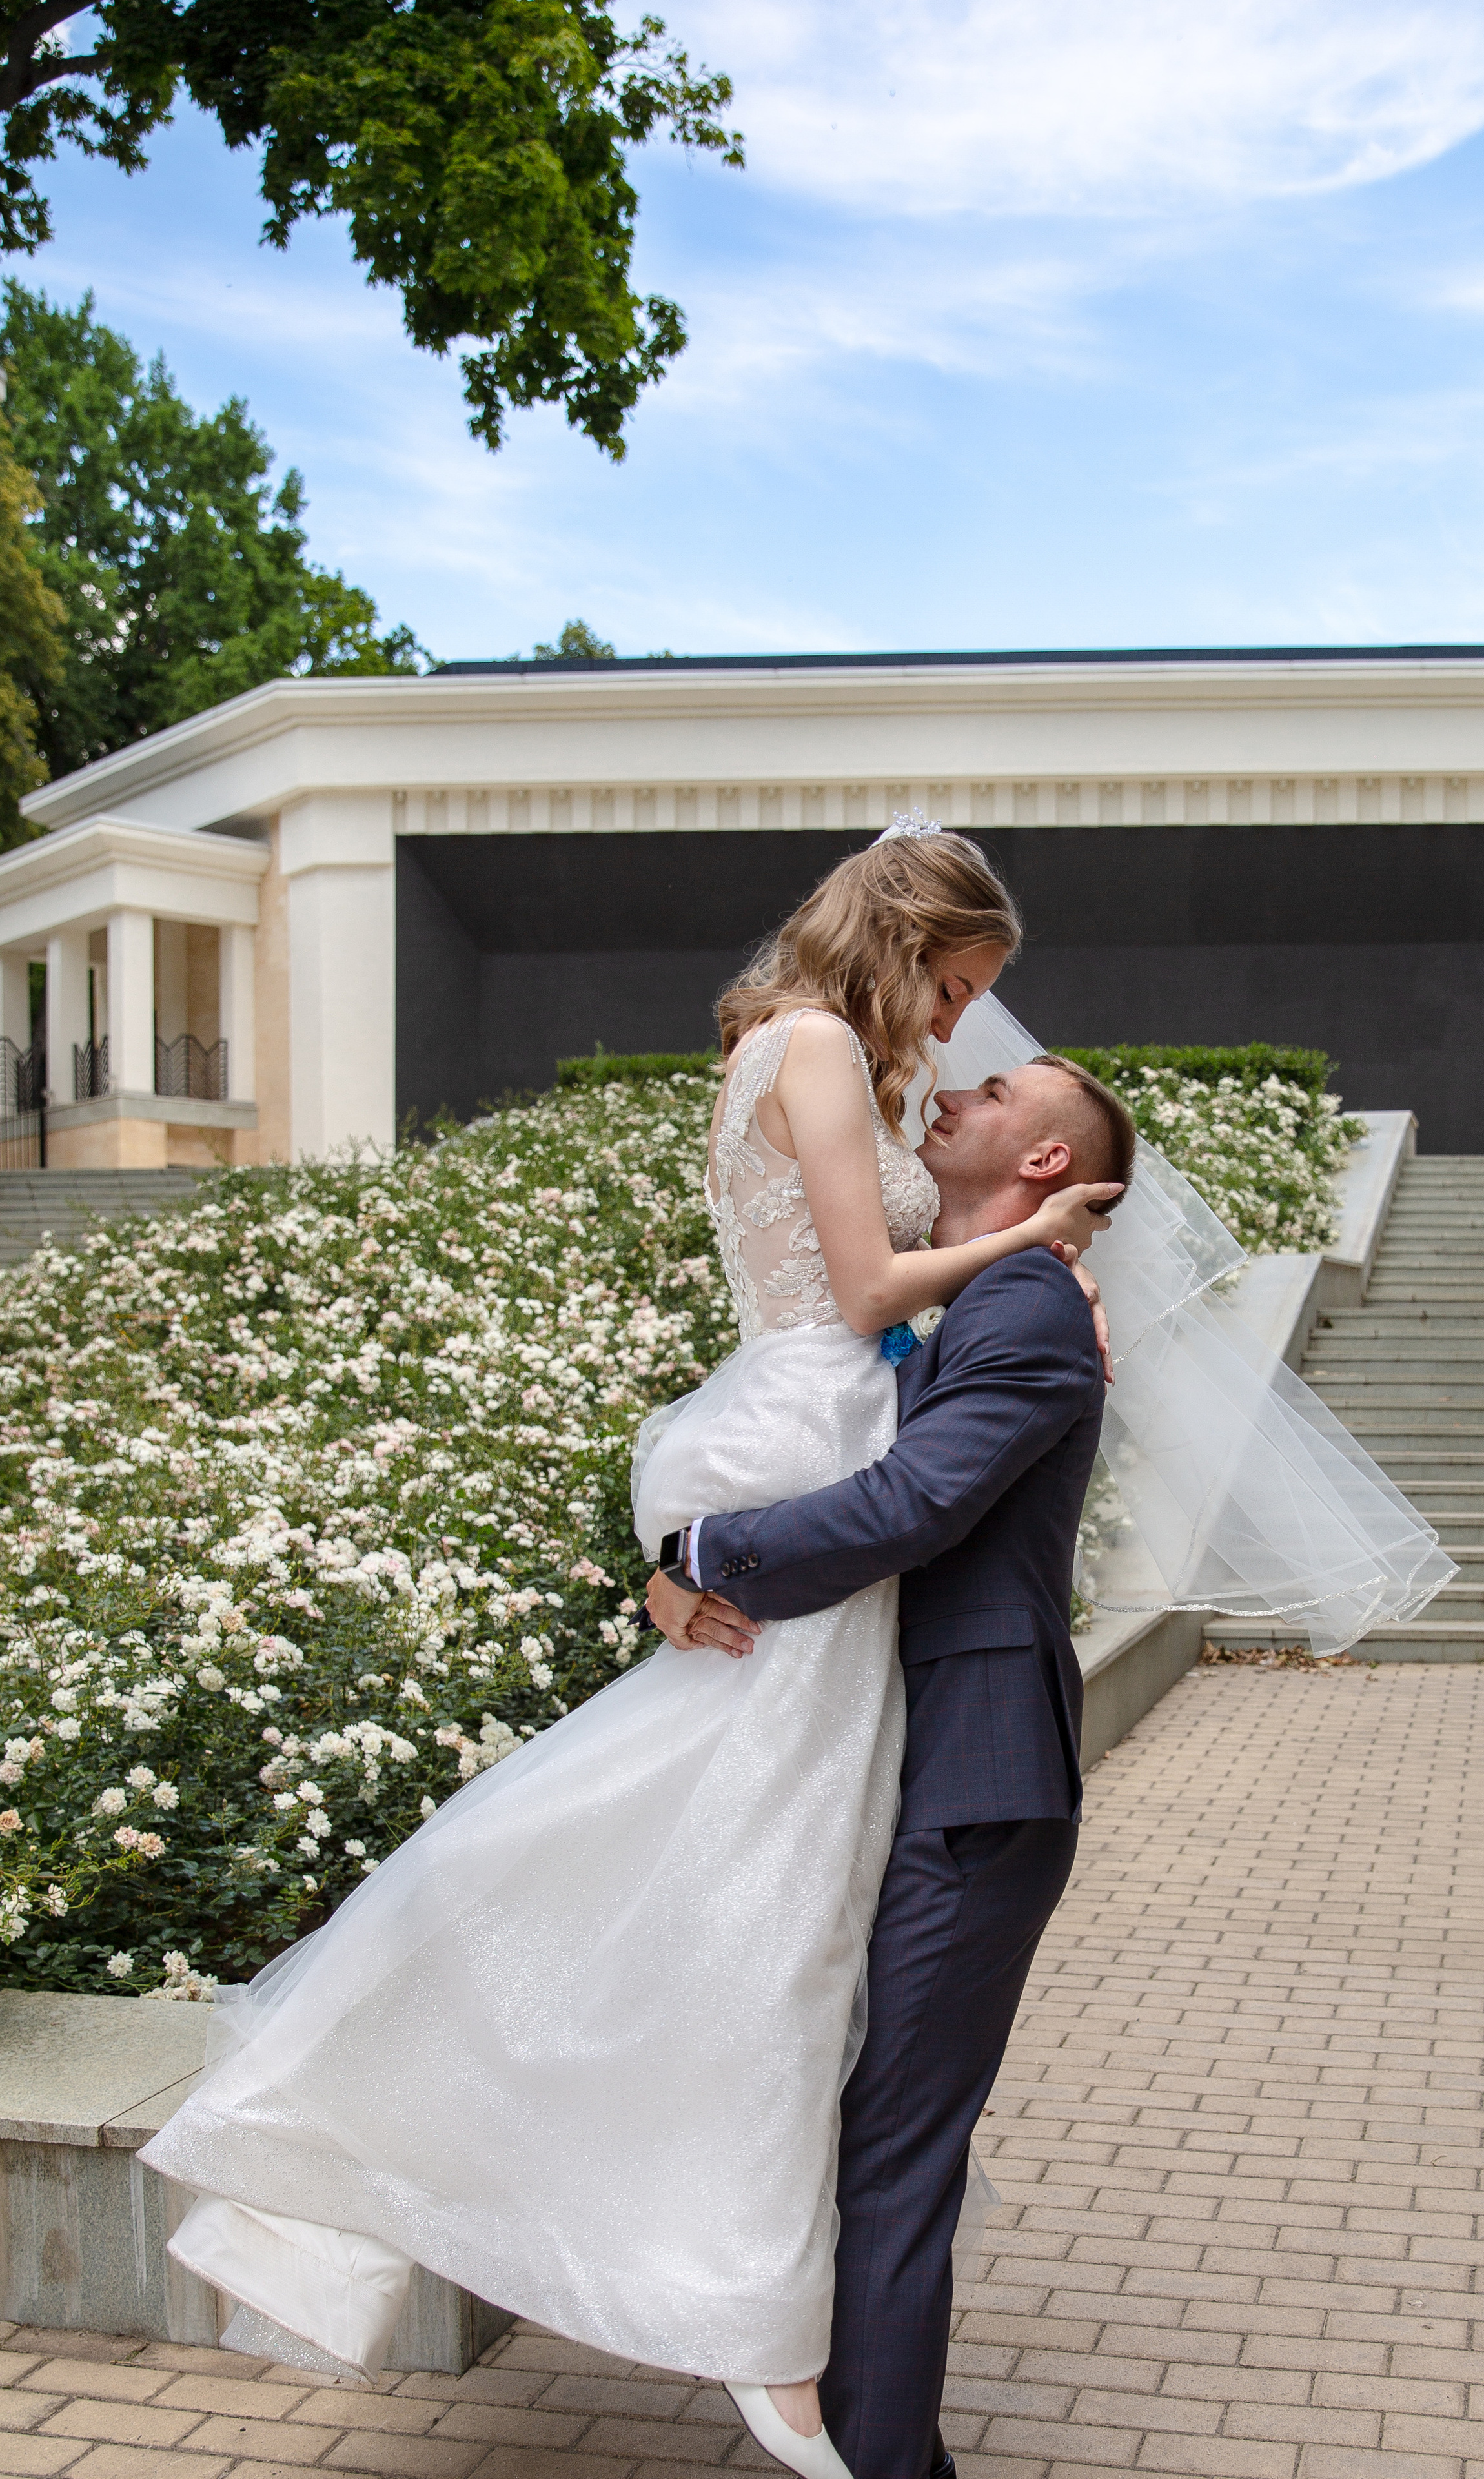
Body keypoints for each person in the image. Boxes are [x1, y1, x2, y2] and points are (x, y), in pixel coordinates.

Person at [139, 825, 1120, 2479]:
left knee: (753, 1890)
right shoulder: (818, 1051)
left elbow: (897, 1367)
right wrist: (1029, 1248)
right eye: (955, 990)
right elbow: (869, 1293)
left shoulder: (829, 1076)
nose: (958, 1034)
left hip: (810, 1447)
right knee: (758, 1893)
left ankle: (746, 2297)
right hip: (810, 1432)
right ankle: (752, 2318)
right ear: (905, 940)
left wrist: (693, 1554)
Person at [645, 1047, 1138, 2479]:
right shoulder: (939, 1300)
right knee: (848, 2119)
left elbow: (917, 1502)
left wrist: (710, 1552)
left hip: (976, 1780)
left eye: (999, 1091)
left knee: (891, 2152)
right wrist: (665, 1575)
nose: (959, 1087)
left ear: (1043, 1162)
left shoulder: (1031, 1307)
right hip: (874, 1752)